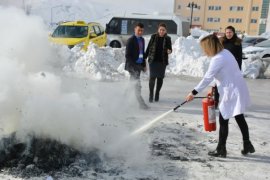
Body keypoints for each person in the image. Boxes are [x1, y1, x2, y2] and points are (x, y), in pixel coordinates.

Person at [185, 34, 255, 158]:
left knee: (224, 119)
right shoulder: (226, 53)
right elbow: (222, 74)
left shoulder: (217, 58)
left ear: (210, 46)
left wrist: (193, 93)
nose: (204, 51)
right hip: (237, 88)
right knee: (239, 116)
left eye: (205, 48)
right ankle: (247, 143)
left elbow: (207, 77)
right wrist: (214, 88)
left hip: (232, 91)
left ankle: (221, 149)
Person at [145, 23, 172, 102]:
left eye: (163, 30)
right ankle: (151, 94)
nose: (161, 31)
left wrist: (169, 51)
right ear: (158, 30)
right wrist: (145, 57)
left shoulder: (168, 38)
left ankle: (157, 93)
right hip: (153, 60)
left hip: (162, 61)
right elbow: (149, 47)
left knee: (160, 78)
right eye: (160, 30)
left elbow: (170, 49)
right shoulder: (153, 37)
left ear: (165, 31)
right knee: (152, 78)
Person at [125, 23, 148, 109]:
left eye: (141, 30)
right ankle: (141, 104)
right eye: (138, 30)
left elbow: (142, 53)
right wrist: (135, 67)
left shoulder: (142, 40)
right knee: (137, 85)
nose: (140, 32)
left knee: (132, 85)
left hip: (138, 66)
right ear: (135, 29)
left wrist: (144, 65)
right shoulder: (130, 40)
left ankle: (122, 100)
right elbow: (127, 55)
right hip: (132, 67)